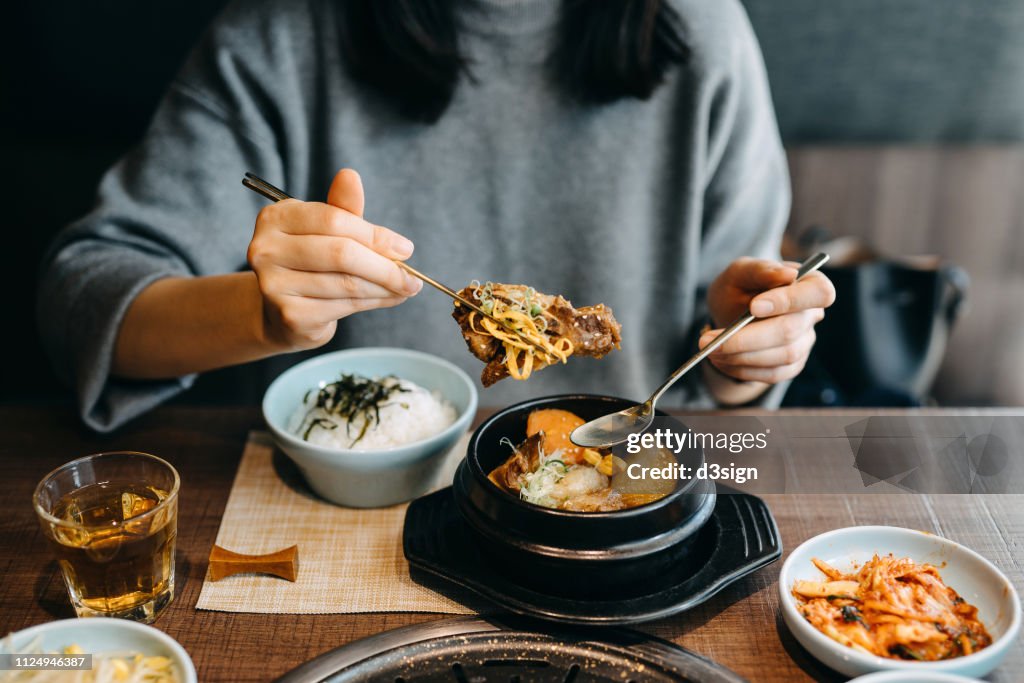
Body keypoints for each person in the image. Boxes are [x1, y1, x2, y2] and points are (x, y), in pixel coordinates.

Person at [38, 0, 835, 432]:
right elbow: (82, 299)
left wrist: (741, 355)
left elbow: (719, 400)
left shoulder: (701, 31)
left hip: (618, 498)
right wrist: (263, 314)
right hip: (351, 516)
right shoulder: (282, 33)